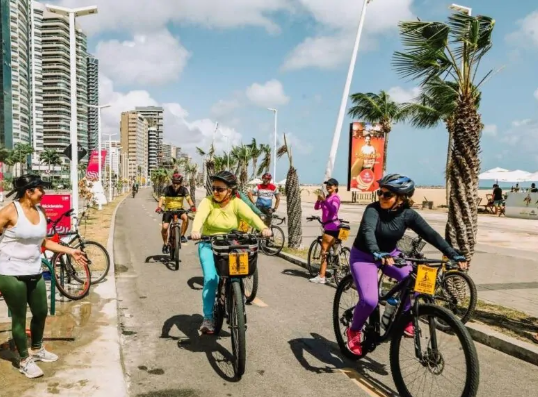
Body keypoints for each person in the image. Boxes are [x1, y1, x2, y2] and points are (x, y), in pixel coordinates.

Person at [345, 173, 467, 356]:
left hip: (391, 255)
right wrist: (376, 251)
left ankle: (406, 318)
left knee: (414, 281)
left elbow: (430, 234)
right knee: (370, 300)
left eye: (387, 195)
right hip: (364, 256)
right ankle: (353, 331)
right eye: (380, 193)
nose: (381, 197)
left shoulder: (408, 215)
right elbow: (368, 231)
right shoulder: (372, 210)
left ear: (401, 198)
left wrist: (452, 253)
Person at [0, 174, 88, 378]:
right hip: (11, 273)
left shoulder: (40, 211)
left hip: (34, 270)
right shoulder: (9, 212)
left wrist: (70, 251)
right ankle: (23, 359)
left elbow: (43, 242)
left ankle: (37, 349)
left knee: (41, 312)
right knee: (19, 318)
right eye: (40, 189)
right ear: (28, 192)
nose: (44, 192)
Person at [191, 171, 272, 334]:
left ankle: (236, 297)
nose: (215, 192)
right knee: (211, 279)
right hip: (209, 243)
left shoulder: (236, 203)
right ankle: (208, 317)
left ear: (230, 190)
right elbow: (200, 216)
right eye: (213, 188)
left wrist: (263, 228)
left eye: (220, 189)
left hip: (230, 243)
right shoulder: (207, 202)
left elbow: (250, 217)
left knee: (239, 273)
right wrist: (195, 230)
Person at [309, 178, 341, 284]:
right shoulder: (327, 197)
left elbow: (333, 210)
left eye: (331, 185)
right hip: (327, 226)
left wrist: (324, 201)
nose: (328, 187)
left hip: (332, 227)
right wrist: (319, 200)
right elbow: (316, 207)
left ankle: (321, 276)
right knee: (333, 252)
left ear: (336, 187)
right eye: (327, 185)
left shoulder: (335, 198)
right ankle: (335, 273)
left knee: (324, 251)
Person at [156, 173, 195, 252]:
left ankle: (182, 235)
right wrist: (159, 207)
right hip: (168, 210)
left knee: (186, 218)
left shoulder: (184, 189)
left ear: (180, 183)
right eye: (174, 182)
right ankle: (165, 244)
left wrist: (192, 206)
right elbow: (161, 199)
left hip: (179, 210)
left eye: (177, 183)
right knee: (164, 228)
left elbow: (188, 199)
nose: (175, 184)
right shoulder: (167, 189)